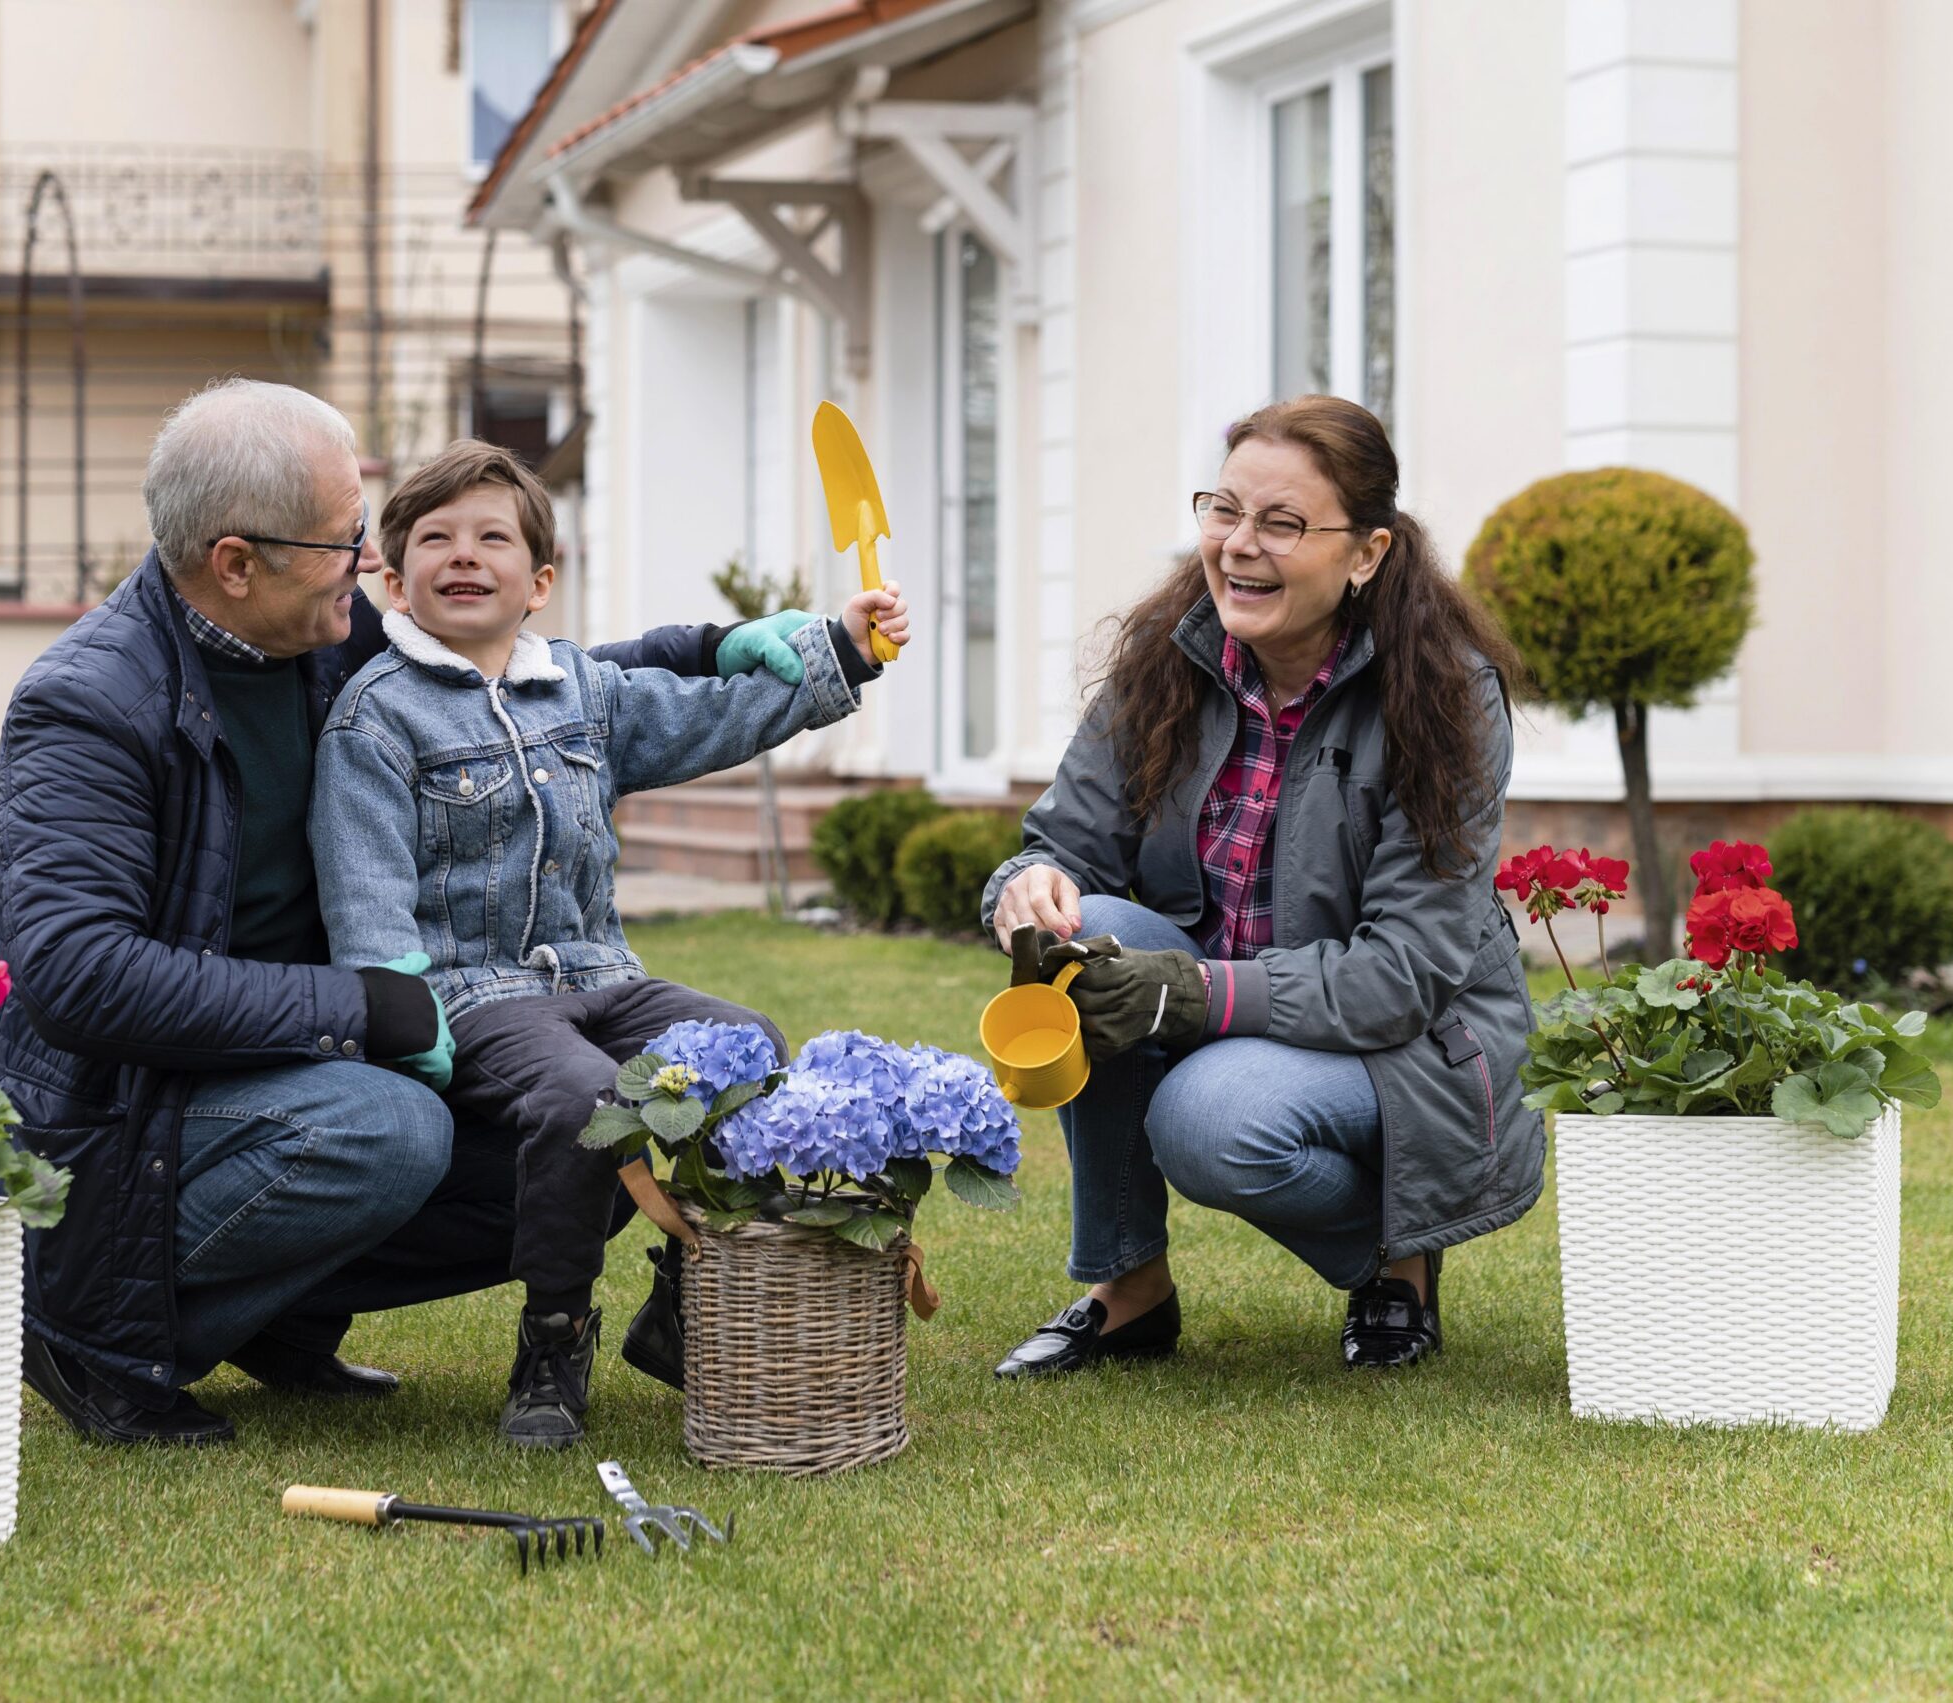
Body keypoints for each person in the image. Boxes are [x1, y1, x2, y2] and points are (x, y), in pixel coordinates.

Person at [0, 379, 826, 1445]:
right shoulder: (89, 704)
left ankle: (276, 1317)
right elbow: (78, 976)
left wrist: (707, 647)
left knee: (595, 1127)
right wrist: (363, 1006)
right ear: (235, 562)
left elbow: (506, 689)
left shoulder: (323, 629)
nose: (370, 559)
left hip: (278, 1057)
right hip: (126, 1107)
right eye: (345, 539)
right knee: (390, 1128)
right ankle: (85, 1329)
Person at [314, 440, 909, 1448]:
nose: (465, 555)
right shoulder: (374, 719)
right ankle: (554, 1335)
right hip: (476, 993)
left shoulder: (583, 689)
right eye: (437, 539)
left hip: (601, 974)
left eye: (493, 537)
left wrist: (841, 650)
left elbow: (709, 715)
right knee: (584, 1095)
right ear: (395, 583)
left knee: (747, 1047)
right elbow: (364, 890)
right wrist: (402, 1015)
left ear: (540, 581)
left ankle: (684, 1295)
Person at [980, 394, 1536, 1378]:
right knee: (1088, 929)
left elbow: (1403, 973)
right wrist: (1029, 886)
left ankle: (1397, 1260)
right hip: (1229, 999)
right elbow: (1062, 842)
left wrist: (1193, 993)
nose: (1239, 545)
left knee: (1206, 1119)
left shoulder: (1445, 690)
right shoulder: (1170, 653)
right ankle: (1128, 1287)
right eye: (1224, 509)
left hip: (1410, 1037)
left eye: (1282, 523)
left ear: (1364, 552)